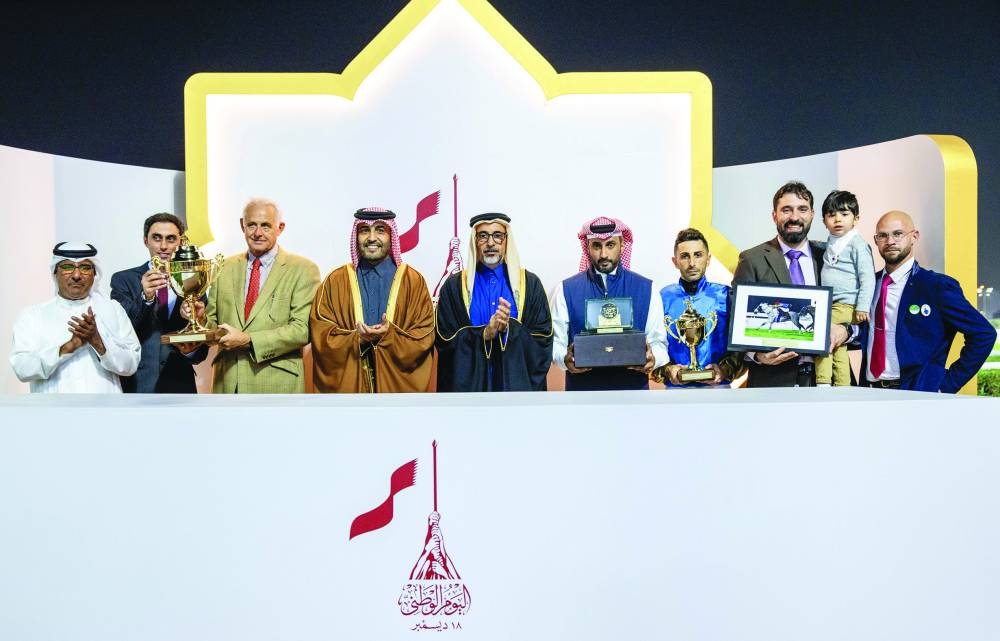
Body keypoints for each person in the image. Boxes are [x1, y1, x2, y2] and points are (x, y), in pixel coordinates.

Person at [189, 198, 320, 393]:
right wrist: (200, 319)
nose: (258, 233)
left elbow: (302, 330)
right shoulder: (223, 267)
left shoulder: (303, 269)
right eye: (252, 225)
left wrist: (247, 339)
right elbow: (213, 330)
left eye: (266, 226)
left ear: (280, 227)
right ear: (242, 225)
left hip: (277, 384)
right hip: (227, 383)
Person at [859, 210, 995, 392]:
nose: (890, 241)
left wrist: (946, 385)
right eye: (883, 236)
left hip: (917, 394)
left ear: (914, 236)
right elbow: (865, 334)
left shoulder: (936, 286)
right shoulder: (869, 286)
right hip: (869, 393)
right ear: (876, 241)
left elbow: (984, 334)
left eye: (898, 234)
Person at [731, 180, 848, 387]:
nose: (795, 217)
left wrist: (846, 331)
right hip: (773, 381)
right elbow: (735, 320)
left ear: (812, 214)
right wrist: (756, 354)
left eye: (802, 209)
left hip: (827, 379)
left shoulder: (831, 256)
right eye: (786, 210)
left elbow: (854, 308)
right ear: (774, 215)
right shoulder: (752, 259)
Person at [309, 207, 435, 393]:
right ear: (356, 236)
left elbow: (424, 335)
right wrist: (355, 339)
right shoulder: (335, 281)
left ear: (392, 236)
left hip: (396, 392)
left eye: (380, 230)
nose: (372, 238)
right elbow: (321, 331)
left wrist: (390, 336)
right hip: (350, 391)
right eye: (364, 230)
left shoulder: (413, 282)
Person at [435, 213, 553, 392]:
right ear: (475, 242)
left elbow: (542, 340)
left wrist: (509, 330)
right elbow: (444, 341)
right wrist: (484, 334)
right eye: (483, 236)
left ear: (507, 241)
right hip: (470, 396)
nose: (490, 243)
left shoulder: (530, 284)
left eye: (497, 235)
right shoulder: (454, 287)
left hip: (514, 394)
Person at [551, 216, 668, 390]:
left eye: (610, 245)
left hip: (634, 397)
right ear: (587, 247)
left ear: (622, 244)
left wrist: (654, 358)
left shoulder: (647, 289)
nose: (603, 254)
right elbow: (555, 344)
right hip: (582, 397)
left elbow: (659, 343)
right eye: (597, 245)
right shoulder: (565, 290)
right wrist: (565, 360)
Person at [11, 242, 140, 392]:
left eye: (85, 268)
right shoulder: (32, 316)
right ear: (55, 272)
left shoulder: (113, 310)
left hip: (103, 411)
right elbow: (22, 369)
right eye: (67, 267)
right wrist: (69, 347)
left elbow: (131, 364)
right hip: (53, 412)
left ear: (94, 273)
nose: (77, 275)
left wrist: (97, 342)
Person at [110, 213, 208, 393]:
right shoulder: (123, 280)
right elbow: (119, 332)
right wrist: (145, 298)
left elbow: (200, 354)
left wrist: (190, 349)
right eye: (157, 238)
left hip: (180, 387)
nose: (163, 246)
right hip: (136, 386)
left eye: (171, 239)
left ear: (181, 242)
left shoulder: (193, 281)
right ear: (145, 240)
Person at [654, 228, 743, 387]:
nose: (692, 263)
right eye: (685, 256)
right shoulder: (662, 298)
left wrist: (723, 370)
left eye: (698, 255)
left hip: (718, 389)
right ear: (675, 262)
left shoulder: (726, 296)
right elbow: (653, 345)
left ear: (708, 259)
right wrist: (668, 370)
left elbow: (741, 350)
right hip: (675, 392)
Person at [814, 191, 875, 387]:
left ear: (856, 218)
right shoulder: (833, 241)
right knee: (837, 344)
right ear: (824, 221)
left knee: (822, 336)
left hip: (846, 304)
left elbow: (867, 277)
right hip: (831, 303)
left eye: (844, 214)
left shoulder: (857, 244)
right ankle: (842, 384)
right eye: (831, 215)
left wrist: (863, 306)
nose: (838, 219)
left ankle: (822, 381)